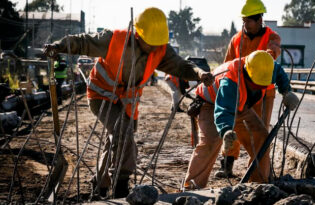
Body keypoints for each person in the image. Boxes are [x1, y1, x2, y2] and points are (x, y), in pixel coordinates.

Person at [43, 7, 213, 198]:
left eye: (158, 44)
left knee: (115, 140)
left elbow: (181, 65)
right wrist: (58, 46)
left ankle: (100, 185)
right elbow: (83, 42)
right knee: (122, 132)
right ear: (138, 34)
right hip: (101, 95)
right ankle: (120, 185)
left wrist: (199, 73)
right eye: (151, 43)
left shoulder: (160, 49)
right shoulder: (114, 39)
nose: (154, 48)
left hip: (126, 101)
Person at [183, 50, 299, 190]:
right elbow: (223, 109)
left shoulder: (265, 65)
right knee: (210, 142)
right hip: (210, 104)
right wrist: (226, 130)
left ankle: (259, 185)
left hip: (240, 105)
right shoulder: (231, 81)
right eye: (256, 84)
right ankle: (192, 187)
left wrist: (286, 91)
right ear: (247, 74)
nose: (260, 88)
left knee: (261, 137)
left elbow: (278, 71)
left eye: (263, 85)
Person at [215, 0, 287, 178]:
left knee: (261, 132)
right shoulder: (236, 39)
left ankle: (258, 172)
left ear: (260, 19)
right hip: (240, 90)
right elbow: (227, 65)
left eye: (249, 20)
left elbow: (270, 56)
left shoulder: (272, 37)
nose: (245, 24)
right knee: (232, 125)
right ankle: (227, 165)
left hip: (264, 91)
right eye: (244, 20)